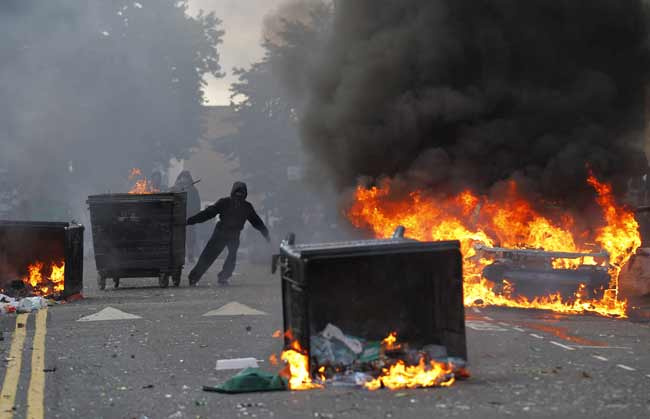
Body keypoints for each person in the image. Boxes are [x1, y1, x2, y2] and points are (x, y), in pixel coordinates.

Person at [186, 181, 270, 286]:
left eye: (241, 193)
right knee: (208, 255)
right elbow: (208, 213)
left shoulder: (246, 207)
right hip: (220, 232)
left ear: (244, 194)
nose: (238, 196)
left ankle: (223, 277)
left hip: (234, 234)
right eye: (237, 193)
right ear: (233, 192)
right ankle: (194, 277)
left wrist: (266, 233)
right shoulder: (224, 202)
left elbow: (257, 222)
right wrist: (190, 220)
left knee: (231, 256)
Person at [172, 170, 202, 262]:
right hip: (177, 217)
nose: (184, 179)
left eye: (186, 177)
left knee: (190, 237)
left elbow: (197, 204)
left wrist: (195, 215)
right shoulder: (175, 189)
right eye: (183, 177)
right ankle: (177, 255)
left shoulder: (193, 190)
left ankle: (190, 254)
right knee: (177, 237)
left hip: (189, 217)